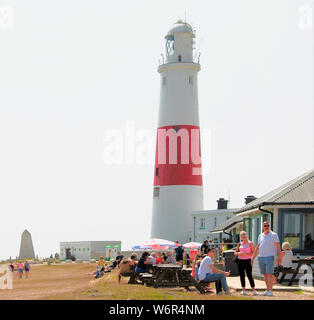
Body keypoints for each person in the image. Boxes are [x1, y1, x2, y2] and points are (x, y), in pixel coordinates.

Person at [251, 221, 281, 297]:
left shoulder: (274, 235)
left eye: (268, 225)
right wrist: (253, 257)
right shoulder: (260, 235)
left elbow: (278, 246)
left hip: (270, 257)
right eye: (265, 225)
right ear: (262, 227)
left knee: (269, 274)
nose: (266, 226)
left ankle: (270, 290)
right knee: (265, 275)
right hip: (261, 257)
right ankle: (267, 290)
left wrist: (279, 257)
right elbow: (257, 247)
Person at [234, 231, 258, 295]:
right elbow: (235, 253)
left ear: (247, 235)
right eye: (242, 235)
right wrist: (239, 253)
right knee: (242, 275)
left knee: (249, 275)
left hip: (247, 260)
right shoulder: (240, 243)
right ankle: (243, 289)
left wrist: (247, 254)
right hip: (240, 261)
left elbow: (253, 252)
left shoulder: (250, 243)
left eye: (244, 234)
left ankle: (254, 289)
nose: (243, 236)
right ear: (240, 237)